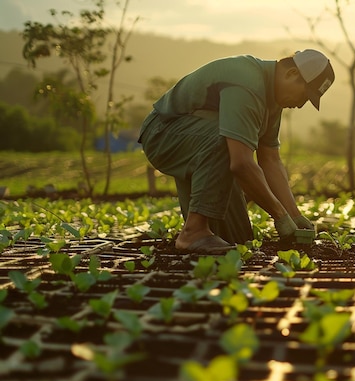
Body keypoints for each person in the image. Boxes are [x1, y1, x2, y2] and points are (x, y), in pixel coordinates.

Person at [138, 49, 335, 254]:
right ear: (291, 73)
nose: (302, 104)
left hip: (204, 143)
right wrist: (280, 215)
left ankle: (201, 232)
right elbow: (241, 163)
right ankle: (193, 230)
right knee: (228, 139)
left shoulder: (273, 101)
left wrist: (295, 216)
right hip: (164, 135)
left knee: (239, 240)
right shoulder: (248, 81)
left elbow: (270, 161)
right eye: (305, 94)